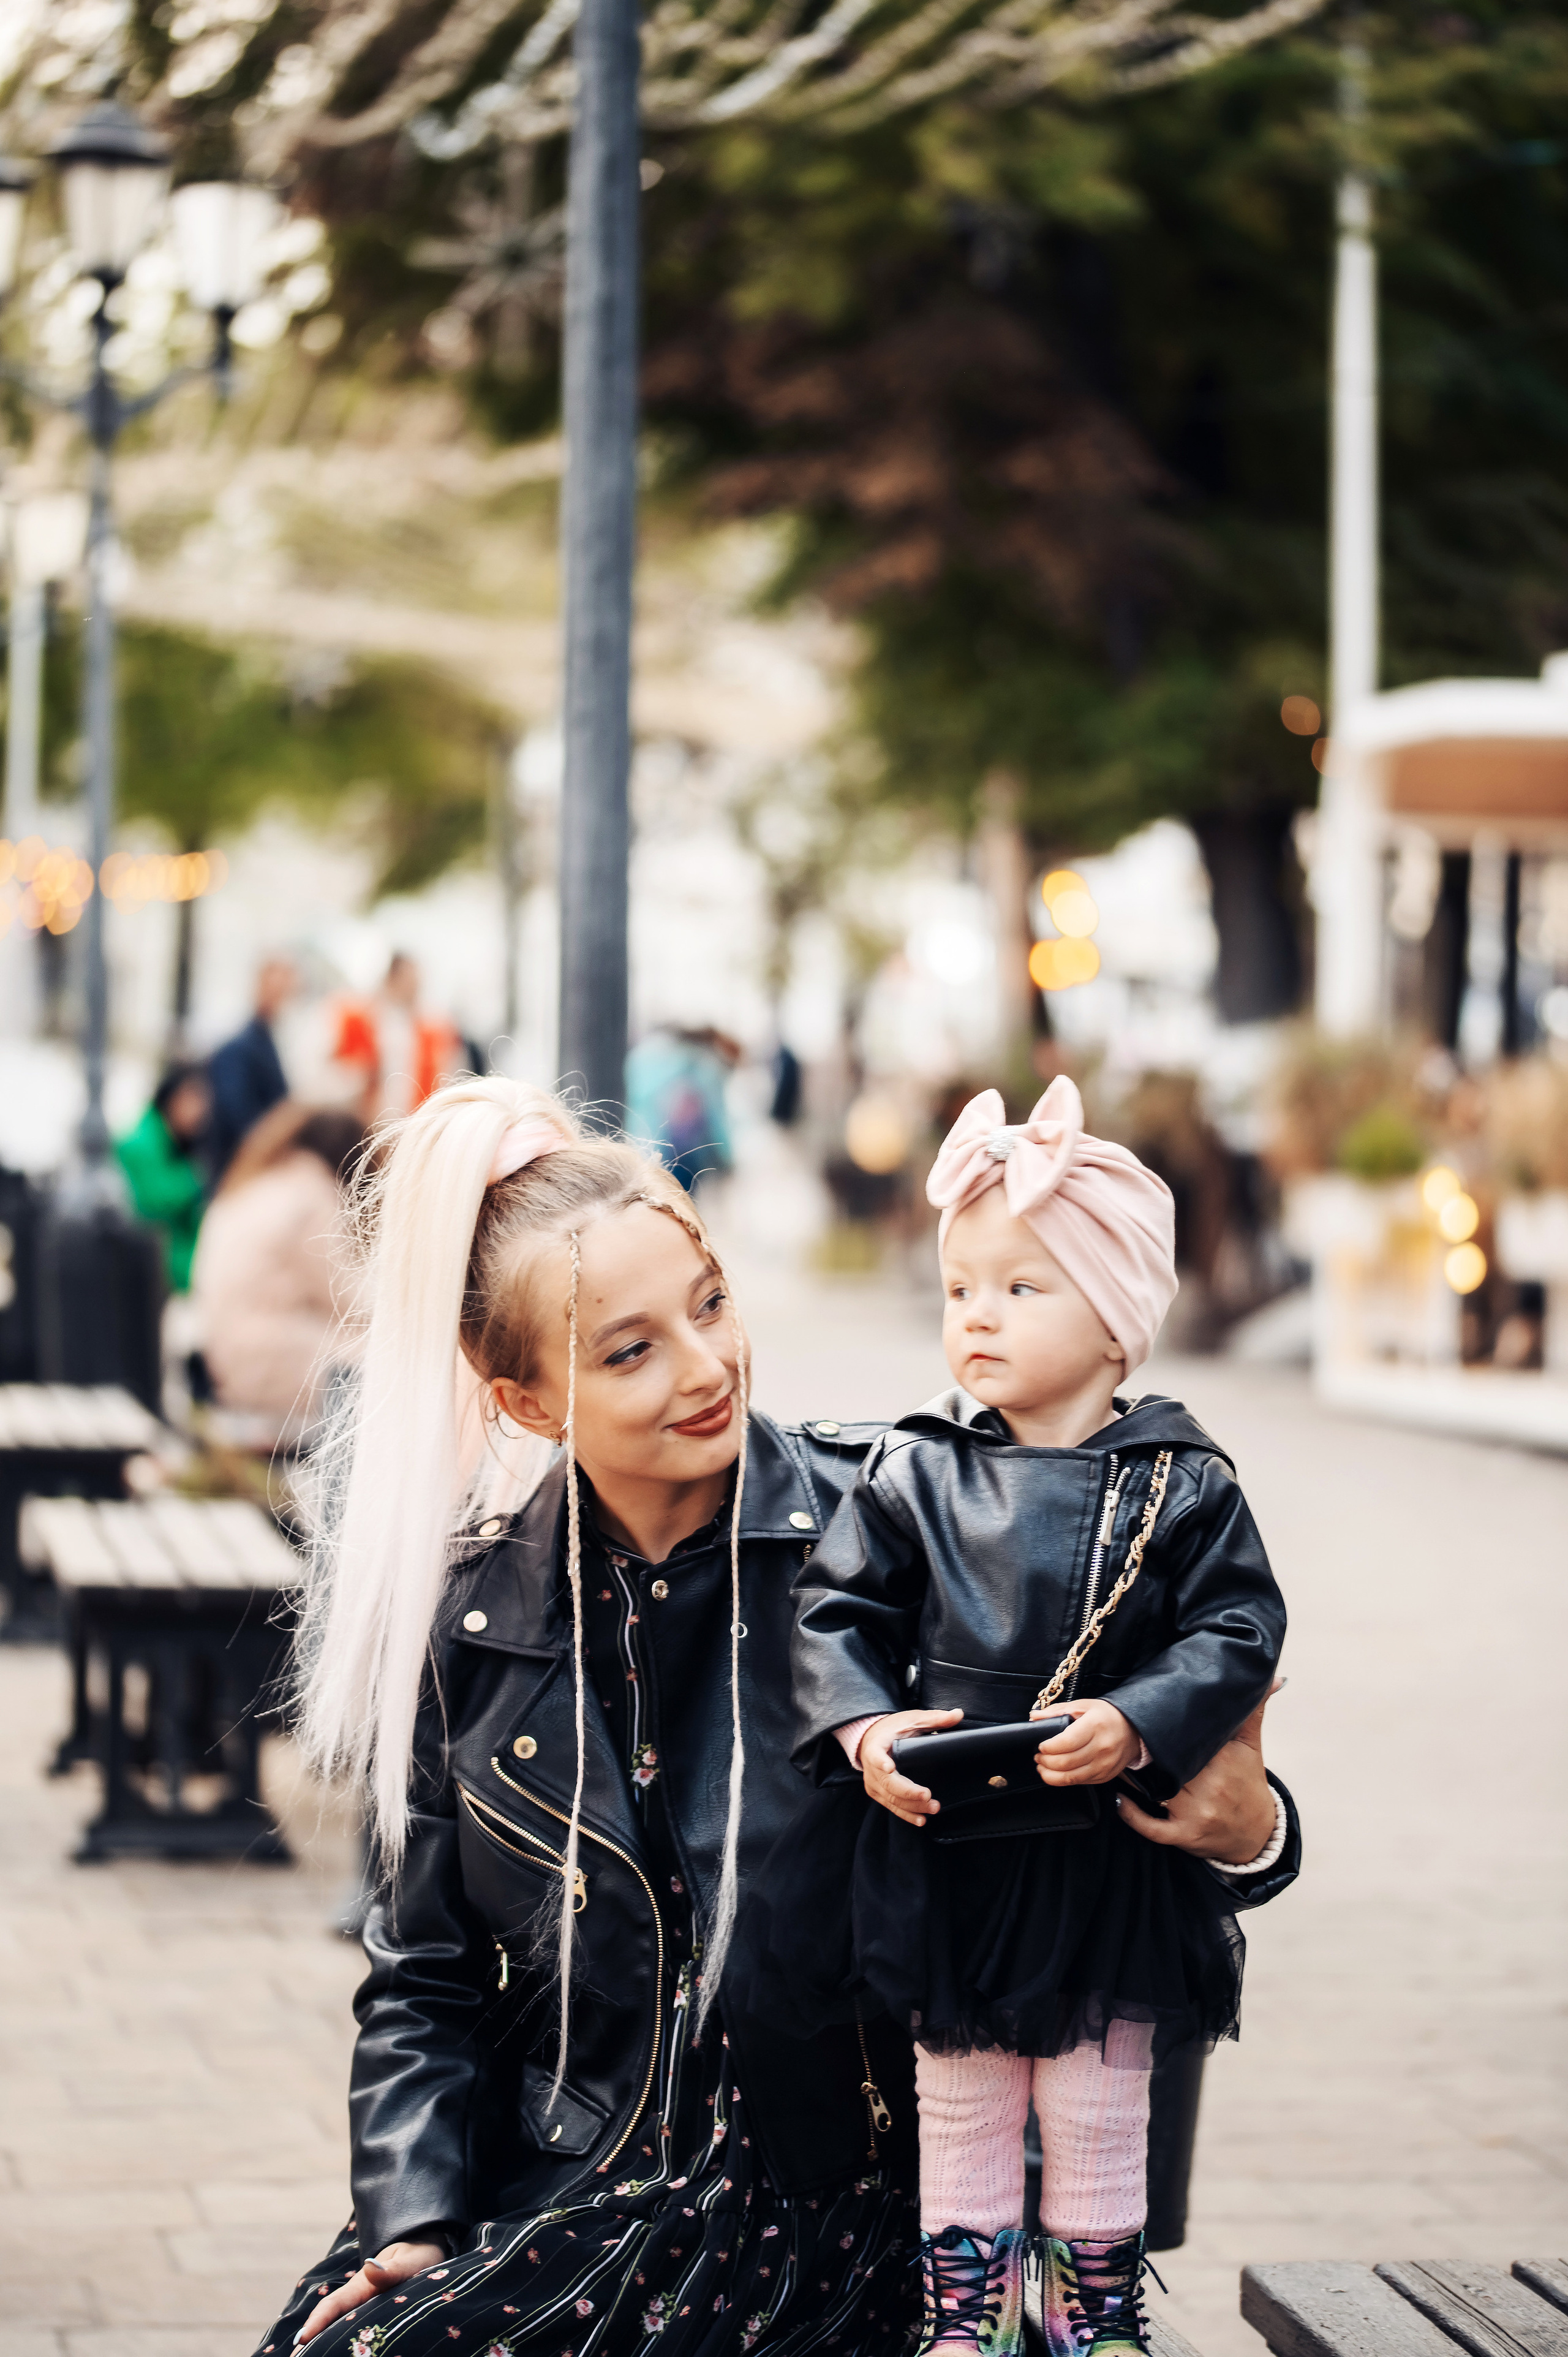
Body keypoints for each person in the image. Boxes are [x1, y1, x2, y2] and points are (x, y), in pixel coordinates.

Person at [252, 1076, 1299, 2357]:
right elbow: (423, 1980)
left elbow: (1099, 1836)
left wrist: (1248, 1829)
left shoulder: (914, 1531)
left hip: (846, 2212)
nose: (707, 1368)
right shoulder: (470, 1628)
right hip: (571, 2189)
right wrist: (410, 2222)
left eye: (710, 1304)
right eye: (630, 1350)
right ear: (526, 1402)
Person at [744, 1077, 1288, 2357]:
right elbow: (832, 1616)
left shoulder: (1181, 1480)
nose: (977, 1316)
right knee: (963, 2092)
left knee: (1102, 2096)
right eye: (959, 1289)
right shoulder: (915, 1465)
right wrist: (868, 1732)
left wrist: (1143, 1718)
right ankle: (964, 2314)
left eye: (1021, 1288)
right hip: (950, 1848)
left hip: (1102, 1855)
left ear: (1116, 1323)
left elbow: (1237, 1628)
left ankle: (1088, 2312)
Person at [190, 1103, 365, 1445]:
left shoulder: (256, 1185)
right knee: (391, 1363)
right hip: (265, 1362)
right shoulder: (310, 1196)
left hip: (224, 1356)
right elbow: (352, 1300)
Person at [328, 951, 464, 1122]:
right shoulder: (365, 1018)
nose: (415, 985)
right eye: (409, 978)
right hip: (372, 1117)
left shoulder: (434, 1024)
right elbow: (345, 1070)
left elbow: (449, 1072)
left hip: (417, 1116)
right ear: (393, 977)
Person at [115, 1062, 211, 1293]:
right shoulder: (143, 1141)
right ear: (173, 1098)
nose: (201, 1111)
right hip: (155, 1276)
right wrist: (194, 1181)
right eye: (193, 1099)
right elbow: (152, 1202)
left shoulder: (177, 1142)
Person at [205, 956, 297, 1182]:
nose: (280, 997)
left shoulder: (271, 1041)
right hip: (239, 1169)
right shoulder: (241, 1047)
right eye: (275, 989)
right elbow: (240, 1118)